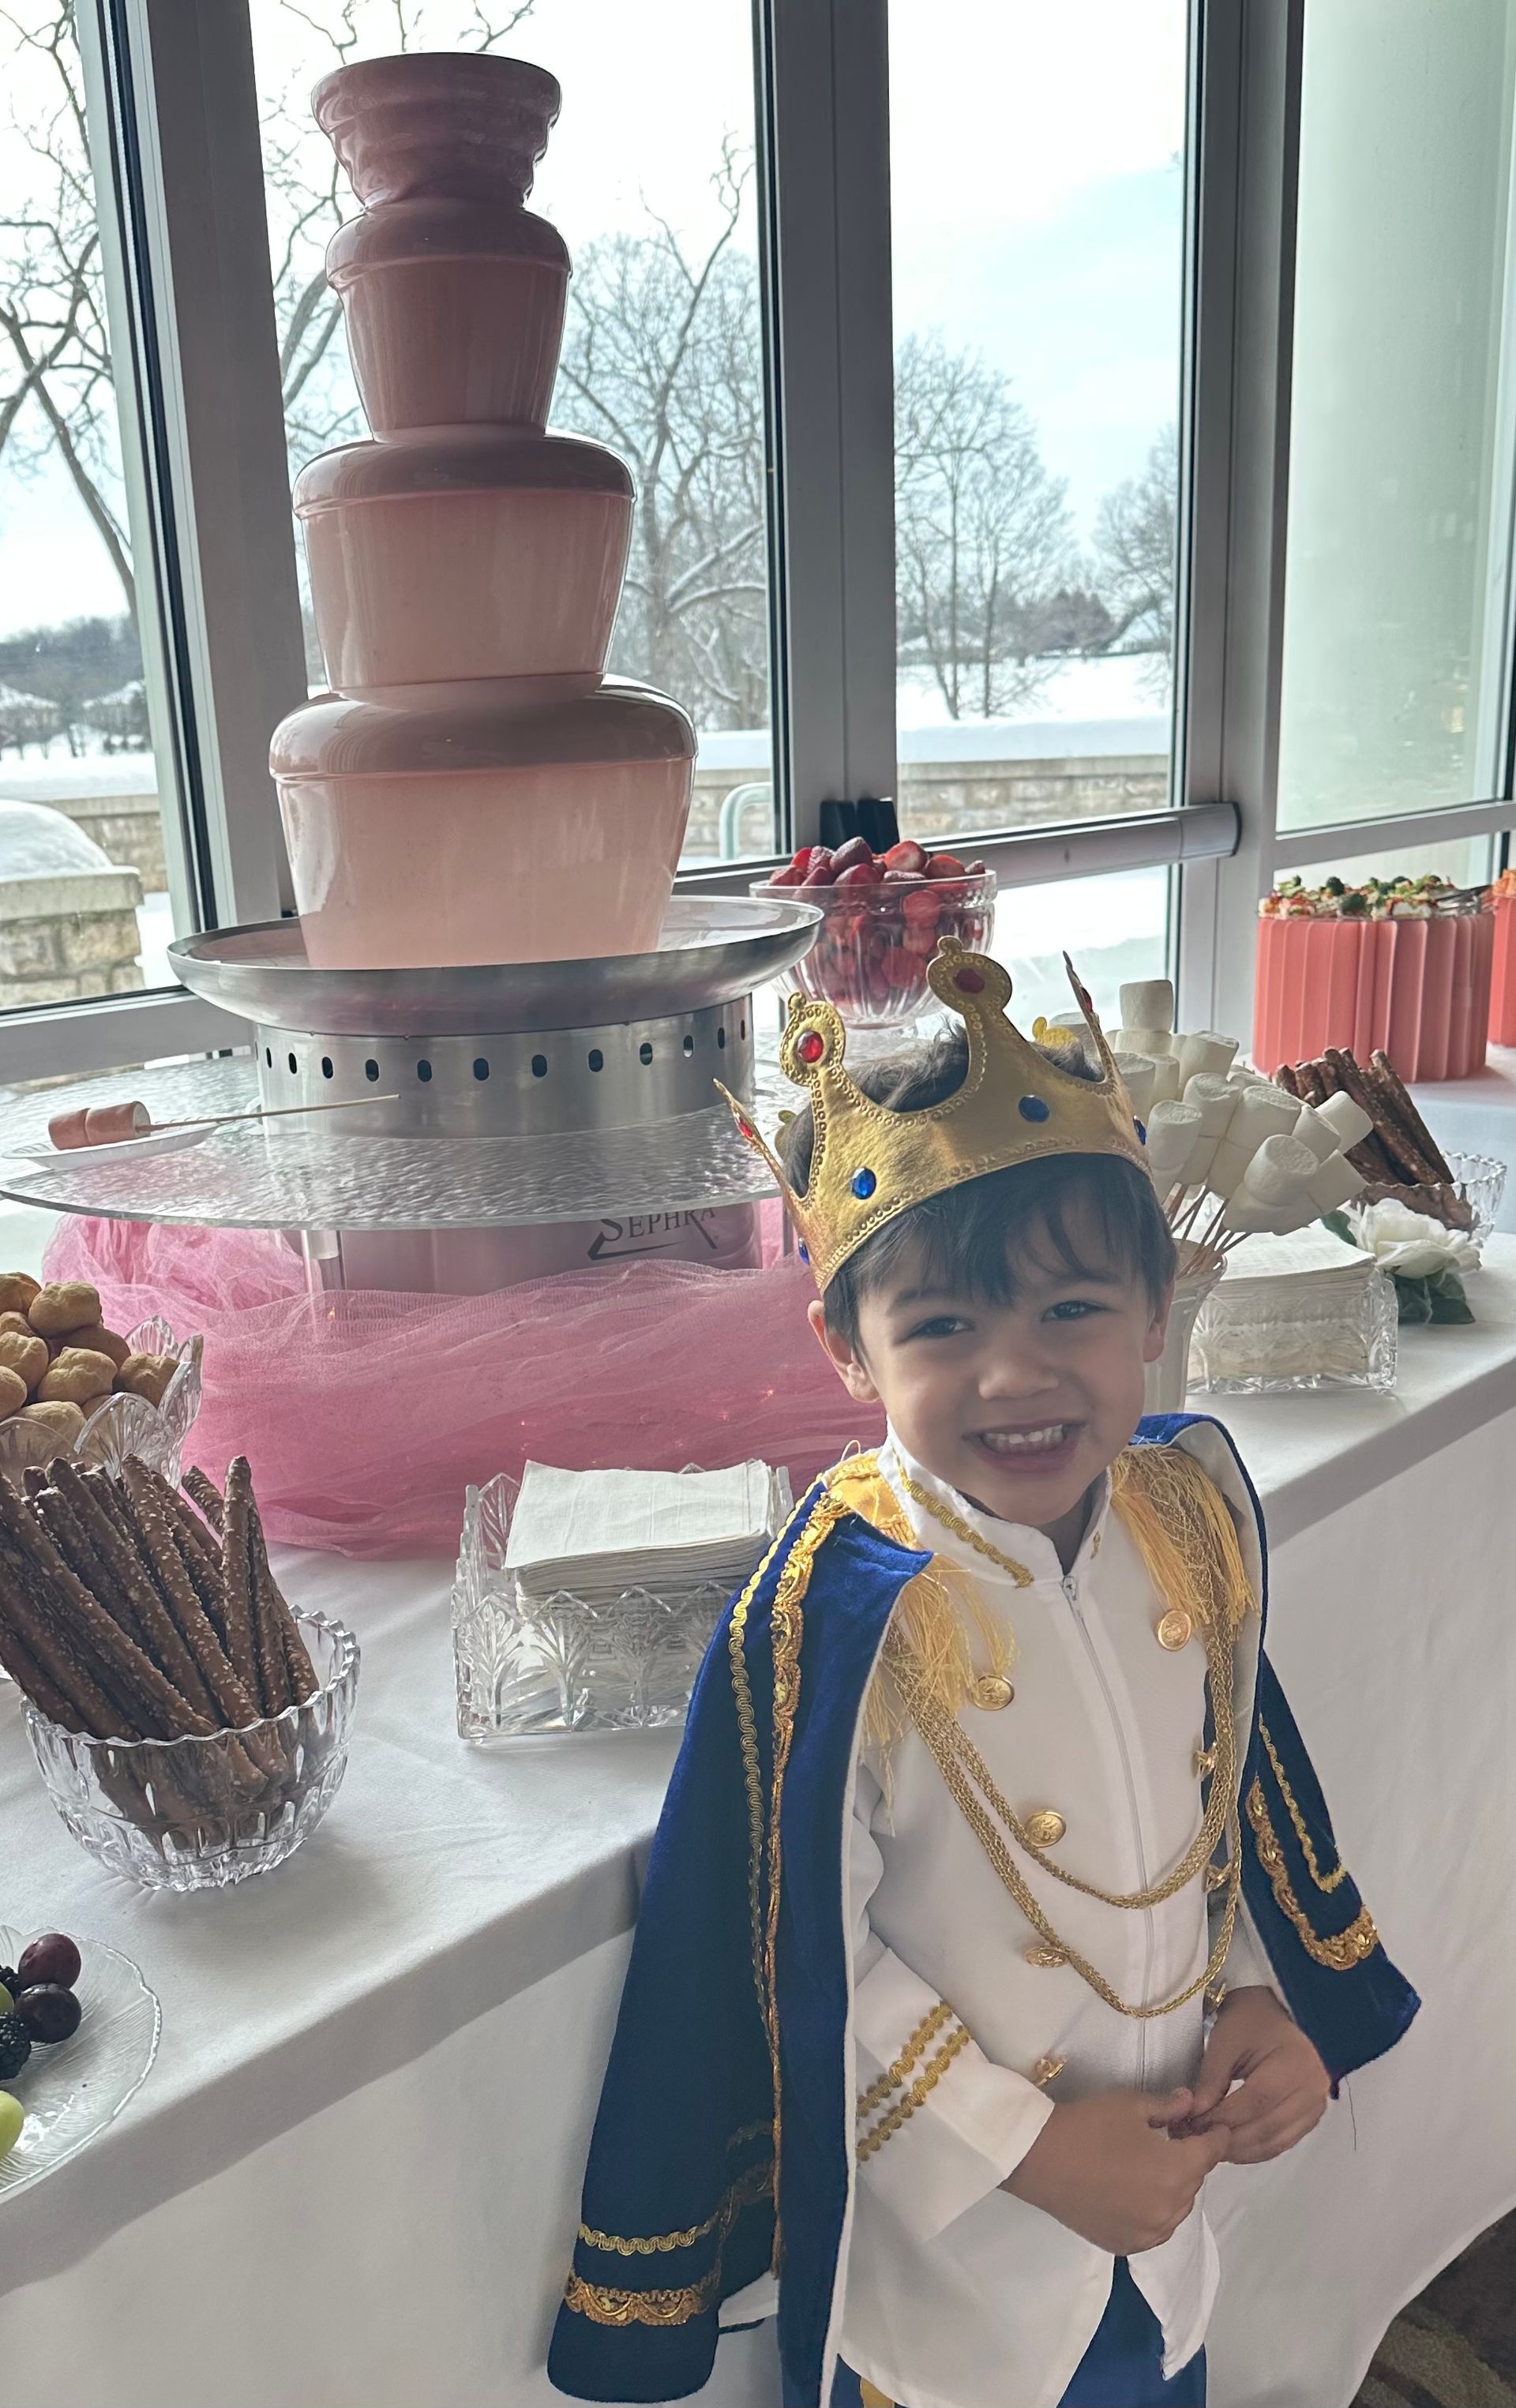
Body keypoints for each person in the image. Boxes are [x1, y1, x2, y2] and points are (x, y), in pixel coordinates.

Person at [548, 942, 1418, 2408]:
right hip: (955, 2284)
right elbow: (800, 1954)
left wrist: (1268, 1998)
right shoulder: (838, 1613)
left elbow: (1227, 1808)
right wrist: (1024, 2143)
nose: (1015, 1374)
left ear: (1158, 1312)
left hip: (1164, 2223)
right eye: (945, 1326)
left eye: (1073, 1311)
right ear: (846, 1346)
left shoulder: (1188, 1519)